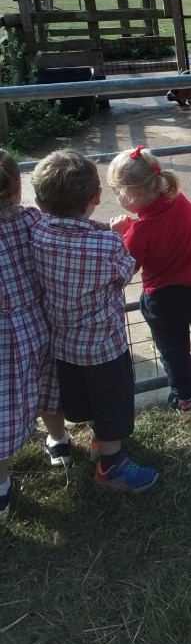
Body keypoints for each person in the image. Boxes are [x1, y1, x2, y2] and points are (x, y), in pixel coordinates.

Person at [29, 149, 157, 494]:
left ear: (40, 201)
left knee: (83, 398)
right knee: (112, 403)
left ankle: (98, 446)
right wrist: (118, 235)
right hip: (104, 345)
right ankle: (111, 466)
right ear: (96, 196)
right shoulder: (105, 243)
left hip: (64, 343)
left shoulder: (38, 234)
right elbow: (124, 274)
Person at [107, 145, 191, 419]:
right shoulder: (181, 201)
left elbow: (126, 269)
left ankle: (184, 399)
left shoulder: (138, 232)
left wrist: (119, 236)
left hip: (163, 299)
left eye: (117, 192)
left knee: (174, 351)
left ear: (131, 195)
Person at [0, 151, 73, 518]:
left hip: (3, 334)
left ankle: (1, 485)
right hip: (39, 320)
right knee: (48, 382)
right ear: (17, 187)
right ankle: (58, 439)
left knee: (5, 401)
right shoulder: (30, 219)